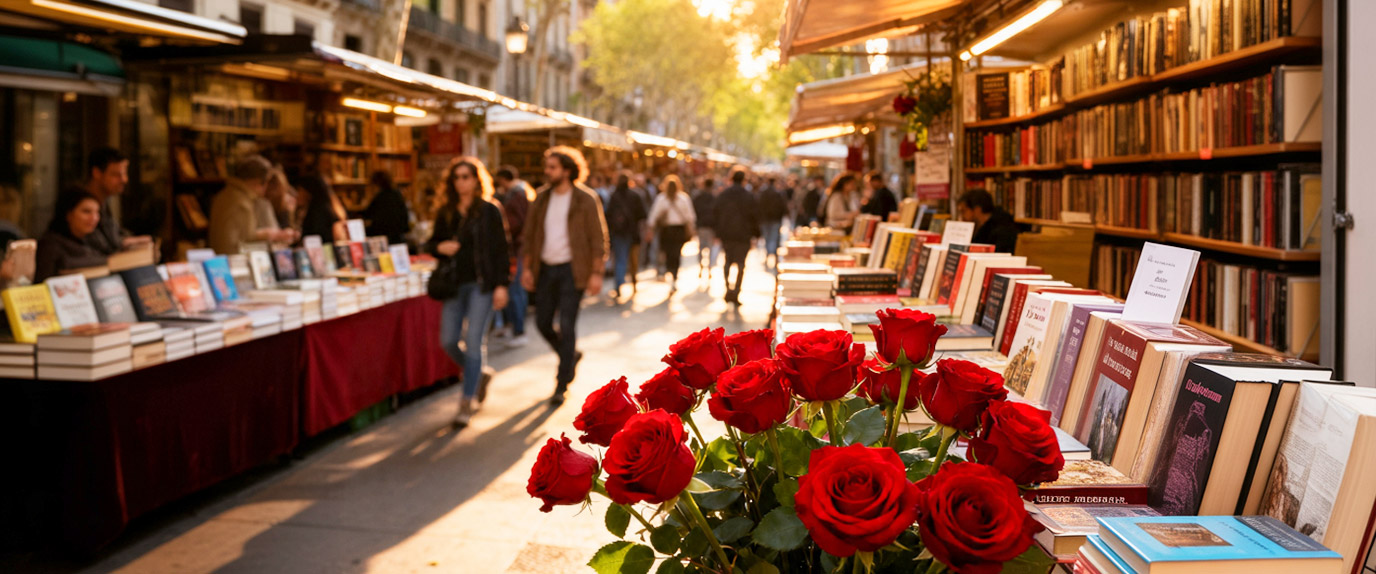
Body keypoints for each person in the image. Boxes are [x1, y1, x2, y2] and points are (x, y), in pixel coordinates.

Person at [424, 157, 510, 428]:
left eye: (466, 176)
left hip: (481, 285)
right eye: (456, 177)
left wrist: (501, 285)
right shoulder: (446, 212)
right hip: (453, 285)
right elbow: (430, 242)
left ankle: (467, 400)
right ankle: (479, 373)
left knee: (474, 340)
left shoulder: (489, 210)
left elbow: (500, 251)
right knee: (448, 340)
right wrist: (440, 248)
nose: (461, 182)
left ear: (476, 179)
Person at [521, 146, 608, 406]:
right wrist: (527, 268)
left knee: (568, 325)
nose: (547, 172)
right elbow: (530, 235)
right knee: (542, 323)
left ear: (567, 171)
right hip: (546, 269)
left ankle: (561, 383)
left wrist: (596, 272)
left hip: (574, 270)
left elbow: (598, 237)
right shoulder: (541, 198)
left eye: (552, 167)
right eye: (547, 167)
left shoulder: (586, 198)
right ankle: (570, 356)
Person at [209, 155, 298, 254]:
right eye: (265, 183)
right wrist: (270, 236)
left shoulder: (225, 195)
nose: (265, 188)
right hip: (233, 262)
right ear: (257, 181)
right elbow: (241, 245)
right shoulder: (242, 203)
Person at [76, 147, 151, 256]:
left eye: (124, 174)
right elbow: (102, 249)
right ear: (96, 173)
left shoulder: (104, 203)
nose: (124, 180)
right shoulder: (77, 202)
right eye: (116, 175)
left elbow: (115, 236)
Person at [494, 166, 533, 347]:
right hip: (521, 248)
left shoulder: (516, 196)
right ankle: (516, 326)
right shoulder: (521, 193)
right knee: (518, 290)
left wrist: (504, 228)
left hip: (518, 249)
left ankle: (519, 330)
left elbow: (517, 223)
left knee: (516, 290)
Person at [35, 191, 108, 282]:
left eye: (97, 212)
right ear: (68, 214)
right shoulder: (49, 245)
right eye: (86, 211)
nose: (94, 218)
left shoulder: (95, 241)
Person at [714, 167, 759, 305]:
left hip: (727, 233)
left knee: (727, 261)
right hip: (743, 234)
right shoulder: (748, 195)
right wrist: (756, 234)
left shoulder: (724, 194)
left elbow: (716, 213)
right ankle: (736, 291)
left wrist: (718, 233)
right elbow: (754, 216)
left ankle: (728, 289)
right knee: (740, 264)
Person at [647, 174, 695, 292]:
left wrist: (651, 228)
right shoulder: (682, 198)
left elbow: (653, 217)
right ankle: (673, 275)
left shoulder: (663, 199)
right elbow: (690, 216)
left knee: (670, 253)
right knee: (675, 254)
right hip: (676, 230)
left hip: (669, 230)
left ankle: (671, 273)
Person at [604, 172, 647, 301]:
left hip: (619, 233)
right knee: (633, 260)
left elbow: (608, 216)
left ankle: (619, 284)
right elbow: (642, 215)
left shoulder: (614, 196)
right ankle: (633, 282)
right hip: (632, 233)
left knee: (620, 259)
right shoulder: (635, 195)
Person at [958, 188, 1023, 253]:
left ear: (977, 210)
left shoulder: (1003, 231)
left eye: (963, 211)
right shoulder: (980, 229)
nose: (961, 217)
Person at [364, 170, 411, 246]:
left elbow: (368, 217)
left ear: (376, 184)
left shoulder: (379, 198)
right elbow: (405, 220)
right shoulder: (397, 195)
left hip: (382, 241)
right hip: (398, 239)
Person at [298, 174, 349, 242]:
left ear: (308, 192)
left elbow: (312, 237)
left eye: (300, 190)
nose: (297, 194)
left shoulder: (317, 212)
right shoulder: (333, 207)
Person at [755, 178, 789, 270]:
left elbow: (758, 206)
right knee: (773, 239)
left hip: (765, 220)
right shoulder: (778, 193)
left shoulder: (763, 193)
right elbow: (783, 206)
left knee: (767, 239)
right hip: (775, 220)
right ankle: (772, 256)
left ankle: (768, 256)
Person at [692, 178, 718, 279]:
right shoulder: (714, 198)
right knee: (710, 248)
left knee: (701, 247)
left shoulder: (698, 197)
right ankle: (709, 267)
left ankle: (701, 266)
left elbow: (694, 211)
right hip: (711, 227)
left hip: (701, 226)